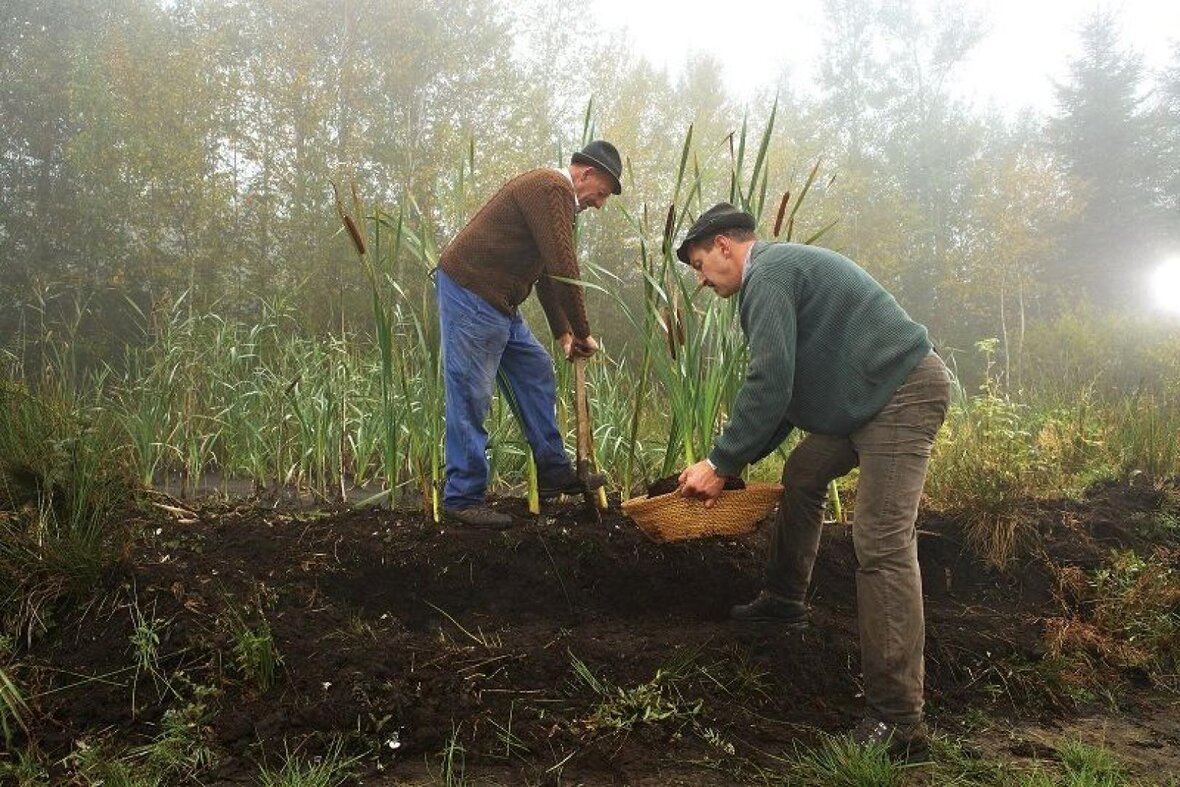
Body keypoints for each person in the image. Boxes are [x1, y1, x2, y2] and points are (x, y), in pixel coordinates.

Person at [675, 202, 951, 759]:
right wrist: (733, 460)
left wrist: (721, 462)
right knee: (804, 472)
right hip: (862, 402)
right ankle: (782, 602)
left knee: (881, 542)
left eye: (702, 265)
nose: (702, 281)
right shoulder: (772, 275)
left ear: (726, 246)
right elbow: (783, 400)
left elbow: (770, 382)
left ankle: (899, 721)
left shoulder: (769, 275)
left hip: (901, 391)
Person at [435, 140, 622, 528]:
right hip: (473, 292)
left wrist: (565, 334)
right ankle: (463, 498)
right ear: (585, 174)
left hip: (500, 301)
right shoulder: (551, 188)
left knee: (535, 367)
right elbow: (562, 267)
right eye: (601, 192)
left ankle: (554, 471)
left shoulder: (555, 201)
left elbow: (544, 275)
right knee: (472, 392)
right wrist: (585, 332)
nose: (600, 203)